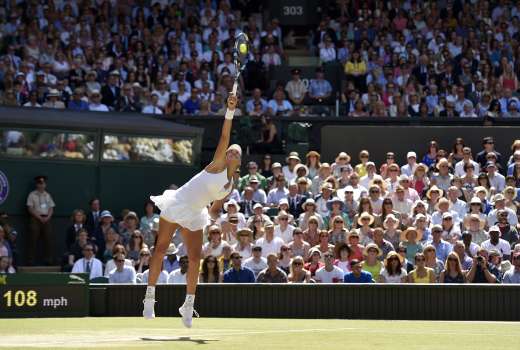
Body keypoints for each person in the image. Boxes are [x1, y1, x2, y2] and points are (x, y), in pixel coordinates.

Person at [143, 93, 240, 327]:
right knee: (160, 249)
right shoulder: (217, 164)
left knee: (196, 258)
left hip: (196, 212)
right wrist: (229, 111)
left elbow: (215, 209)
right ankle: (149, 297)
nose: (231, 153)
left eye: (236, 152)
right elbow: (225, 135)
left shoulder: (231, 184)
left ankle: (187, 305)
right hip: (178, 203)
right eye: (229, 151)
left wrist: (221, 221)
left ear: (240, 160)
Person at [26, 175, 55, 265]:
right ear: (37, 184)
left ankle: (48, 260)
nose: (41, 185)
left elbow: (51, 208)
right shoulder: (32, 195)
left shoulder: (48, 195)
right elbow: (30, 208)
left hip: (46, 219)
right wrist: (39, 217)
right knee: (33, 240)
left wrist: (48, 217)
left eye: (43, 183)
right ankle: (30, 261)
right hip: (35, 218)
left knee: (48, 239)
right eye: (39, 183)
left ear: (45, 185)